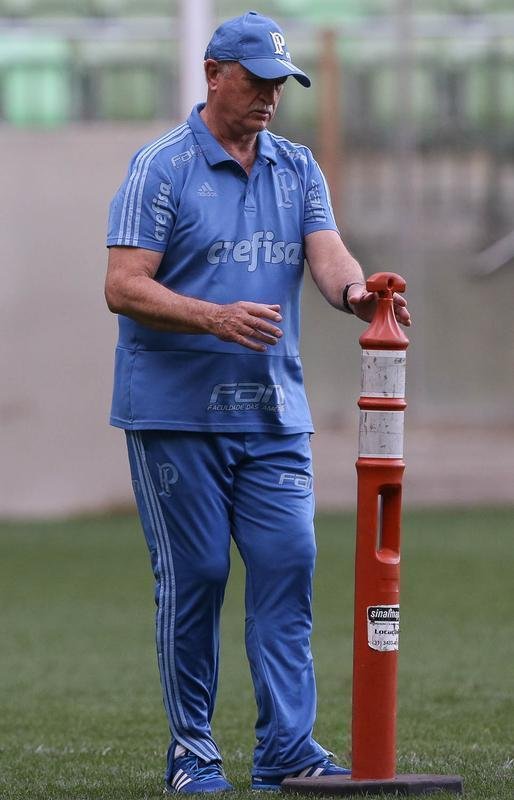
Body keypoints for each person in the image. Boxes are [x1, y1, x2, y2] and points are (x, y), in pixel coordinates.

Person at [105, 10, 411, 795]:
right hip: (175, 416)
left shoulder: (297, 167)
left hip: (273, 414)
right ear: (213, 73)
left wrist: (356, 290)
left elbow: (327, 252)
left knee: (289, 563)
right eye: (256, 81)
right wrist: (214, 316)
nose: (270, 98)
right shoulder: (160, 167)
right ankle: (192, 753)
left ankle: (287, 749)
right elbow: (123, 286)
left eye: (280, 84)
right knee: (198, 574)